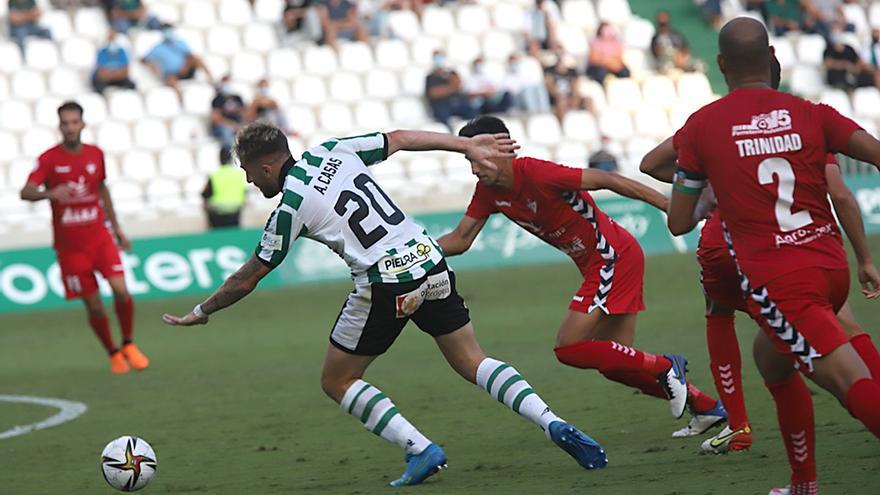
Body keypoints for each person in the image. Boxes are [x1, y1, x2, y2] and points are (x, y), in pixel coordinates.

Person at [162, 122, 609, 486]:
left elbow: (248, 277)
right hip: (428, 258)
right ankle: (551, 421)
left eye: (247, 170)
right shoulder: (333, 149)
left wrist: (201, 312)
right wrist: (464, 146)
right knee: (473, 359)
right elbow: (403, 139)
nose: (246, 179)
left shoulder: (290, 205)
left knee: (337, 380)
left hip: (385, 281)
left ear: (265, 165)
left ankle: (420, 449)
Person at [666, 18, 880, 495]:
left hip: (782, 281)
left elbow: (679, 222)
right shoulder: (812, 113)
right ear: (770, 58)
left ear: (721, 65)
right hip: (830, 266)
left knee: (848, 382)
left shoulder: (702, 125)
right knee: (771, 359)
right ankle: (802, 484)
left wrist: (715, 191)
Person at [438, 115, 727, 437]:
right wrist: (411, 252)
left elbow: (607, 179)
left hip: (611, 258)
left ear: (503, 150)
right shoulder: (488, 191)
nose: (474, 168)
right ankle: (706, 407)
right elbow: (460, 240)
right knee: (618, 363)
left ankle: (666, 365)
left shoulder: (536, 172)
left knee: (568, 348)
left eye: (476, 158)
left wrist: (665, 203)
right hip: (602, 262)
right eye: (469, 160)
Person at [19, 101, 149, 374]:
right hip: (71, 248)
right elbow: (25, 192)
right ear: (60, 126)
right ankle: (113, 352)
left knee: (121, 290)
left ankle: (128, 343)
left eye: (74, 122)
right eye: (64, 123)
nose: (69, 128)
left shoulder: (95, 154)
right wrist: (49, 193)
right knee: (93, 305)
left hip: (99, 237)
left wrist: (116, 229)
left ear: (82, 124)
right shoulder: (48, 159)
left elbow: (102, 190)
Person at [142, 27, 213, 97]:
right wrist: (152, 65)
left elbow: (189, 55)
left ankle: (210, 78)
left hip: (185, 70)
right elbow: (144, 59)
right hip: (172, 74)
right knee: (170, 79)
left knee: (197, 58)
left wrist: (184, 66)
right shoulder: (157, 47)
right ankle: (180, 95)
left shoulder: (180, 43)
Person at [425, 50, 478, 129]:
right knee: (442, 111)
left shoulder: (451, 74)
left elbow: (460, 86)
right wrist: (451, 87)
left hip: (454, 104)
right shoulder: (431, 77)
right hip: (441, 106)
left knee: (472, 109)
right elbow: (434, 93)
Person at [202, 146, 247, 229]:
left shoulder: (215, 174)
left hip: (218, 212)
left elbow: (205, 194)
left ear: (219, 158)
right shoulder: (239, 174)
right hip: (235, 211)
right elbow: (244, 193)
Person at [210, 75, 246, 150]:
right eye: (225, 82)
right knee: (226, 131)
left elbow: (244, 114)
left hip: (237, 125)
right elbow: (216, 119)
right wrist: (232, 125)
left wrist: (239, 125)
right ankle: (229, 154)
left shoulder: (238, 98)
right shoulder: (217, 100)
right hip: (223, 127)